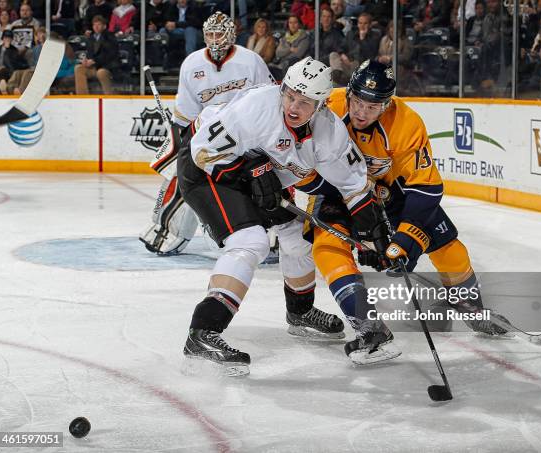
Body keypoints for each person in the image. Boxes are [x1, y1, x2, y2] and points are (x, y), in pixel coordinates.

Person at [178, 57, 383, 375]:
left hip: (260, 178)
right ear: (282, 89)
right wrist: (247, 171)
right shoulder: (257, 107)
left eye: (304, 101)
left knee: (297, 238)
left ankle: (299, 312)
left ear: (322, 104)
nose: (293, 106)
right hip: (206, 171)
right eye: (289, 95)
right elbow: (203, 151)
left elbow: (353, 186)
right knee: (250, 241)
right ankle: (203, 332)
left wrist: (374, 232)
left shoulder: (330, 133)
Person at [309, 60, 509, 364]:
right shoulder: (326, 105)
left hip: (392, 194)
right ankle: (370, 328)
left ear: (386, 105)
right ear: (347, 93)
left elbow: (425, 188)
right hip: (337, 189)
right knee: (326, 246)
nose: (362, 111)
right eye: (357, 101)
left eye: (373, 106)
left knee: (449, 248)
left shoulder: (405, 123)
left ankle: (472, 308)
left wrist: (404, 240)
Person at [139, 11, 276, 256]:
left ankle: (272, 235)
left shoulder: (251, 61)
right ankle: (168, 231)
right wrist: (180, 145)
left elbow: (270, 98)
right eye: (210, 34)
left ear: (231, 35)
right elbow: (186, 115)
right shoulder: (192, 63)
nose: (214, 39)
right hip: (207, 136)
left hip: (246, 136)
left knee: (261, 181)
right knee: (182, 177)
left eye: (219, 33)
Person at [74, 15, 120, 94]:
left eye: (98, 24)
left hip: (107, 67)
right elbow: (90, 54)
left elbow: (110, 55)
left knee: (101, 72)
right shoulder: (91, 38)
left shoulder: (110, 37)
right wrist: (86, 61)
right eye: (94, 25)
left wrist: (94, 61)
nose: (96, 27)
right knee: (79, 68)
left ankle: (109, 97)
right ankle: (82, 98)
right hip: (95, 67)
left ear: (104, 26)